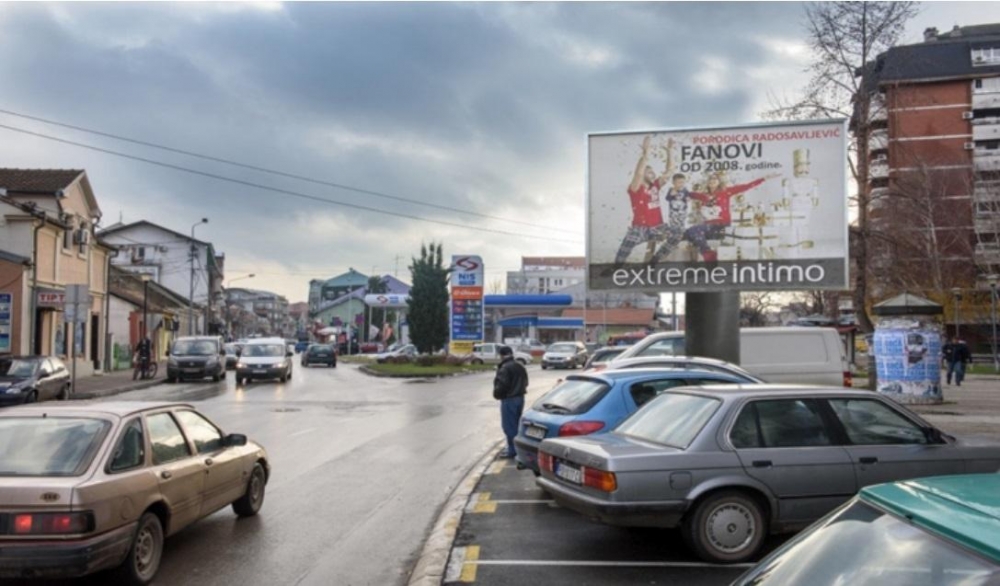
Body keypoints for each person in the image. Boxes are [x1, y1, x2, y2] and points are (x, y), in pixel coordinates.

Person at [684, 172, 779, 262]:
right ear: (707, 182)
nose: (712, 181)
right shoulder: (703, 196)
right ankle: (708, 253)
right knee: (688, 233)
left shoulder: (726, 192)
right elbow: (689, 194)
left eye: (715, 179)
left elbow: (746, 186)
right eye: (710, 179)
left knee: (693, 231)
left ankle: (708, 255)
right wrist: (681, 193)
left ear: (719, 182)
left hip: (721, 226)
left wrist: (764, 178)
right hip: (708, 228)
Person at [612, 136, 673, 266]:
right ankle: (615, 268)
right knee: (623, 253)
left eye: (653, 172)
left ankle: (653, 261)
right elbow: (638, 174)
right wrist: (645, 154)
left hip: (658, 227)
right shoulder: (635, 188)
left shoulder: (656, 185)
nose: (653, 175)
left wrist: (669, 151)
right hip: (639, 229)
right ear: (644, 175)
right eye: (650, 173)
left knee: (677, 235)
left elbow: (669, 171)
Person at [493, 345, 528, 459]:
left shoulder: (505, 368)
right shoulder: (520, 365)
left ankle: (513, 450)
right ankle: (517, 448)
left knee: (509, 427)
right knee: (516, 424)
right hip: (520, 398)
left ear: (502, 355)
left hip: (509, 399)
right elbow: (526, 382)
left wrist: (497, 394)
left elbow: (502, 385)